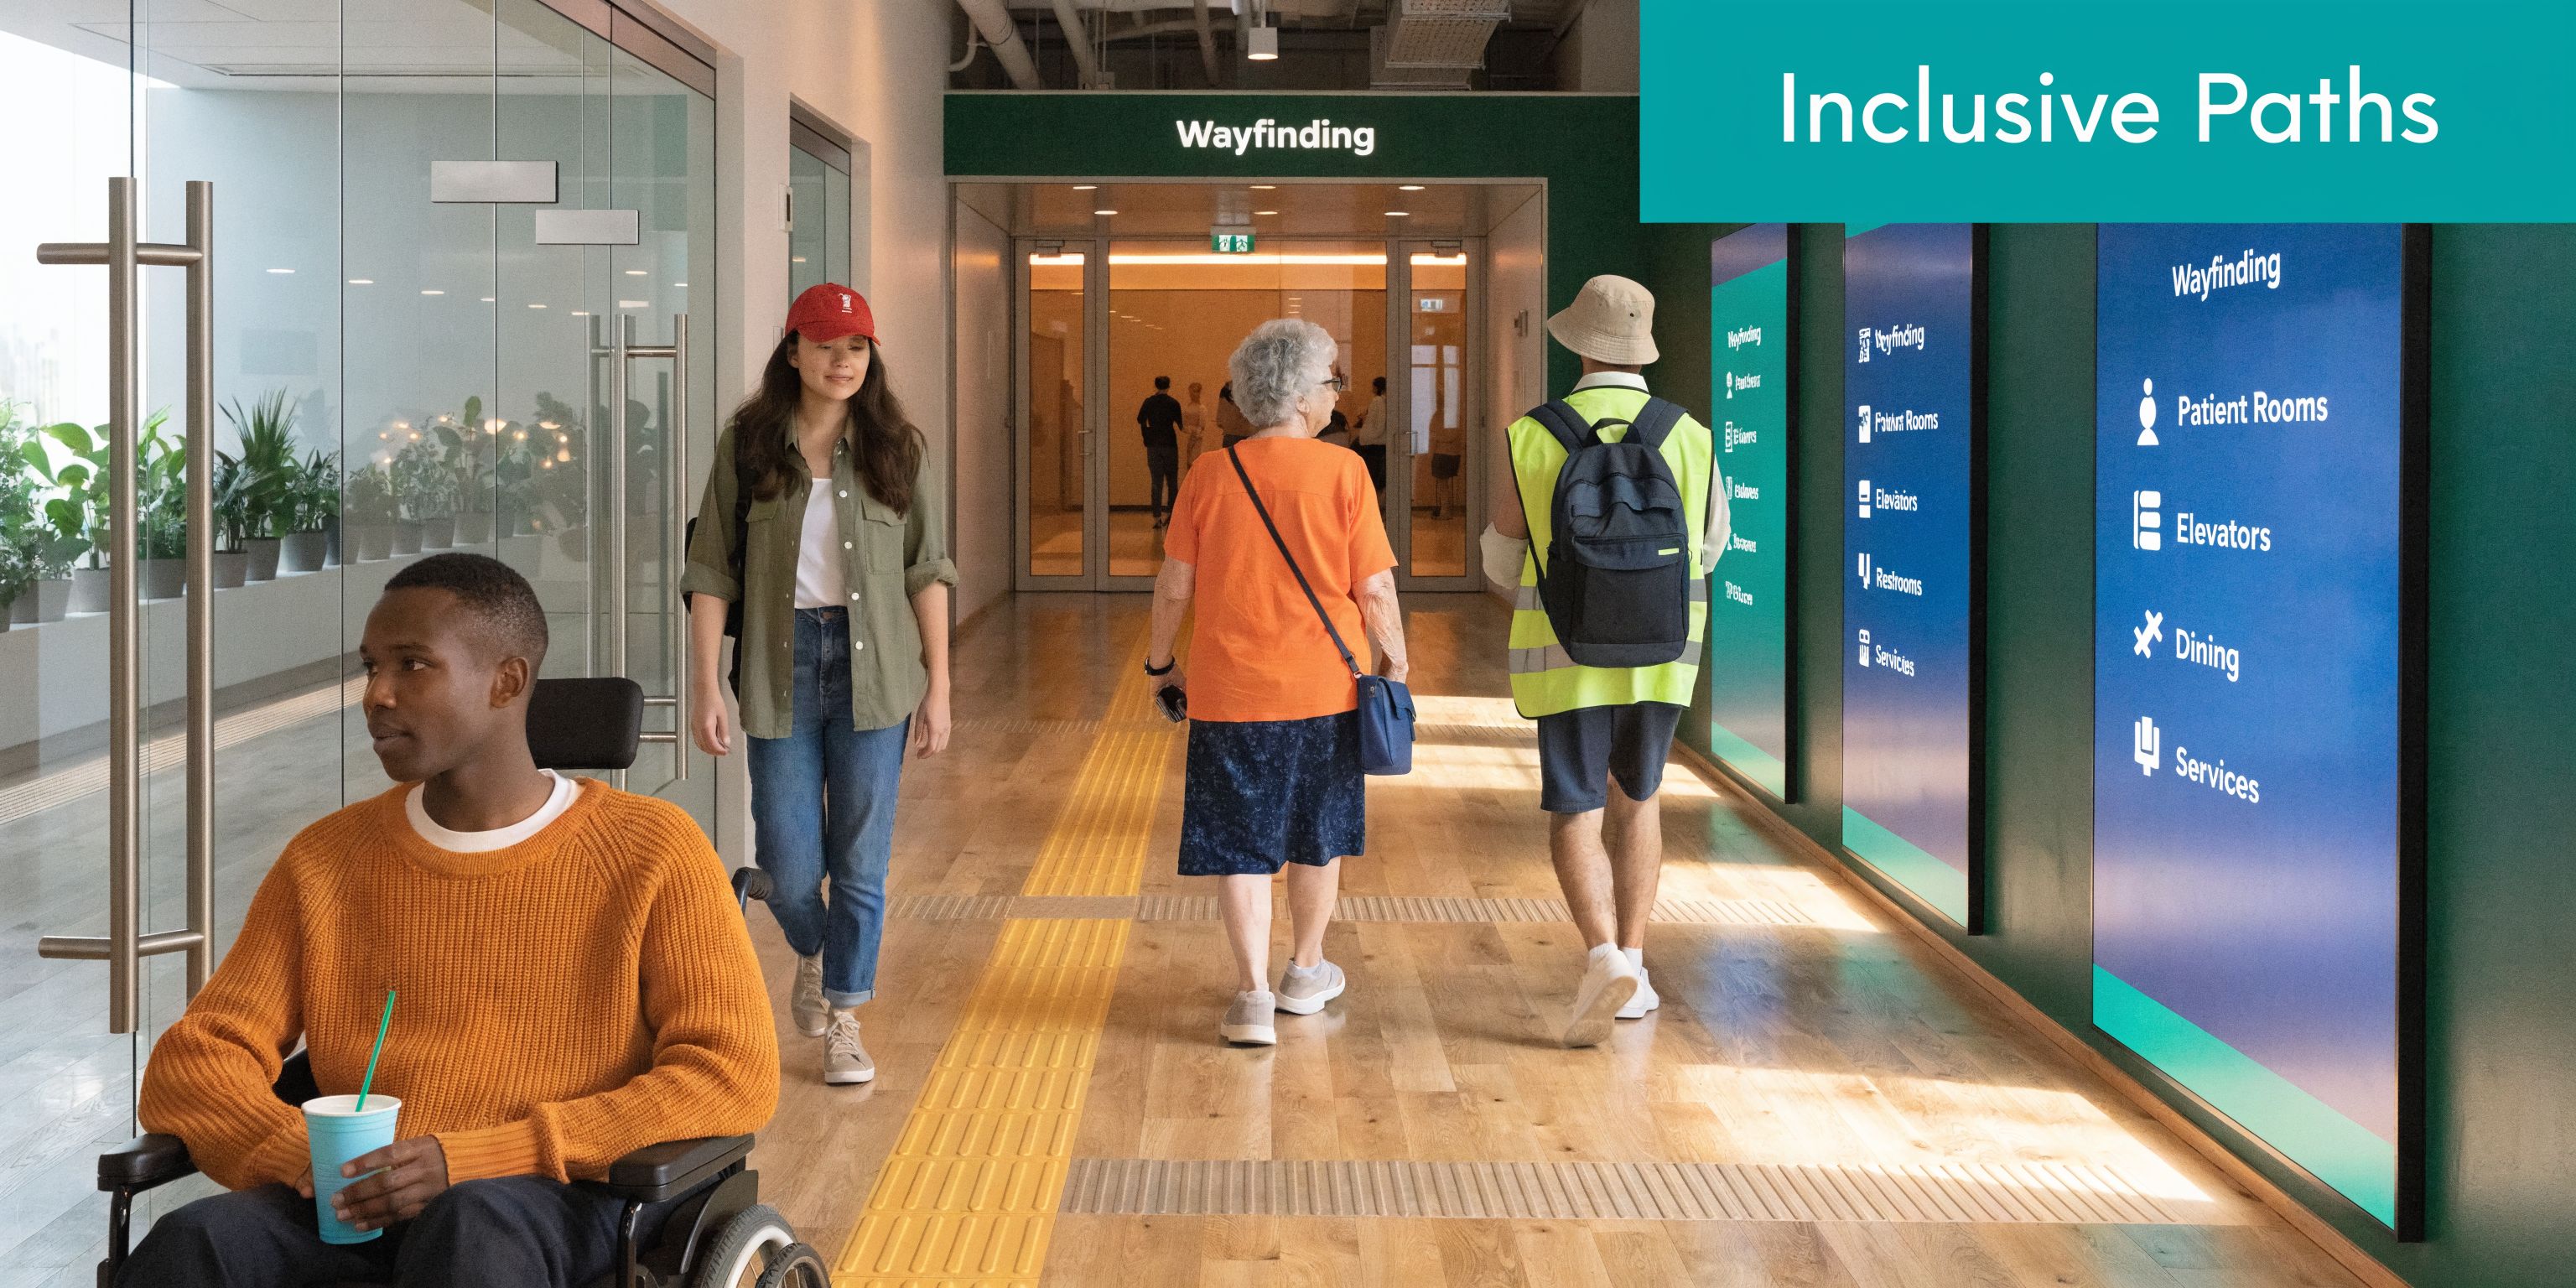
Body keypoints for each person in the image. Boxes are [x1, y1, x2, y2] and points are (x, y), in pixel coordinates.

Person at [118, 553, 778, 1286]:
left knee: (470, 1227)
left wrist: (477, 1158)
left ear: (507, 681)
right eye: (371, 667)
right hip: (357, 1204)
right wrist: (297, 1153)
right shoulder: (325, 860)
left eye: (412, 666)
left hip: (567, 1198)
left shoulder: (652, 849)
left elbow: (731, 1073)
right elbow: (195, 1061)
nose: (377, 694)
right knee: (196, 1242)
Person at [683, 282, 957, 1087]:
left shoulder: (897, 448)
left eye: (857, 347)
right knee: (791, 864)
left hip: (876, 672)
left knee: (862, 860)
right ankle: (815, 947)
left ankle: (845, 1013)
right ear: (793, 352)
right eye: (827, 345)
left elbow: (928, 570)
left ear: (871, 359)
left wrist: (939, 683)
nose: (843, 361)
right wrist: (705, 686)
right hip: (779, 666)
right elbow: (710, 573)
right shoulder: (748, 446)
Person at [1482, 274, 1729, 1048]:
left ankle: (1600, 956)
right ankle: (1638, 961)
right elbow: (1711, 547)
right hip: (1665, 652)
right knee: (1641, 800)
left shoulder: (1534, 433)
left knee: (1575, 808)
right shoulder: (1688, 433)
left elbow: (1500, 551)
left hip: (1563, 650)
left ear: (1577, 343)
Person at [1148, 319, 1409, 1047]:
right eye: (1331, 380)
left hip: (1230, 694)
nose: (1337, 394)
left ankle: (1252, 995)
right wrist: (1396, 664)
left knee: (1239, 844)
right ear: (1298, 395)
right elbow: (1377, 590)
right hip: (1326, 692)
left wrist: (1160, 663)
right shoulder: (1345, 473)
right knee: (1315, 838)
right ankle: (1304, 970)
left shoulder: (1208, 473)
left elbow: (1175, 585)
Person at [1137, 375, 1185, 528]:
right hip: (1170, 444)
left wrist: (1147, 434)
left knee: (1156, 482)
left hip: (1153, 445)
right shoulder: (1173, 403)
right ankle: (1172, 514)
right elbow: (1181, 424)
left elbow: (1140, 419)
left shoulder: (1149, 402)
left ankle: (1156, 517)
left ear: (1155, 385)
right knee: (1172, 481)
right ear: (1169, 386)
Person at [1353, 375, 1389, 496]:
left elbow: (1379, 424)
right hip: (1379, 443)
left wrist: (1368, 434)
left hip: (1372, 443)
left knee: (1371, 477)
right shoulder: (1384, 401)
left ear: (1377, 387)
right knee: (1377, 477)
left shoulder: (1377, 401)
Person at [1216, 380, 1253, 450]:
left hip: (1229, 437)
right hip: (1247, 438)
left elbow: (1219, 420)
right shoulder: (1250, 390)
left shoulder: (1225, 390)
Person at [1181, 380, 1210, 469]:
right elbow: (1183, 422)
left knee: (1195, 463)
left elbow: (1201, 426)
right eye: (1191, 392)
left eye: (1195, 392)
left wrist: (1194, 434)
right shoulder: (1187, 407)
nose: (1192, 395)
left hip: (1196, 440)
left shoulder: (1202, 409)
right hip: (1186, 437)